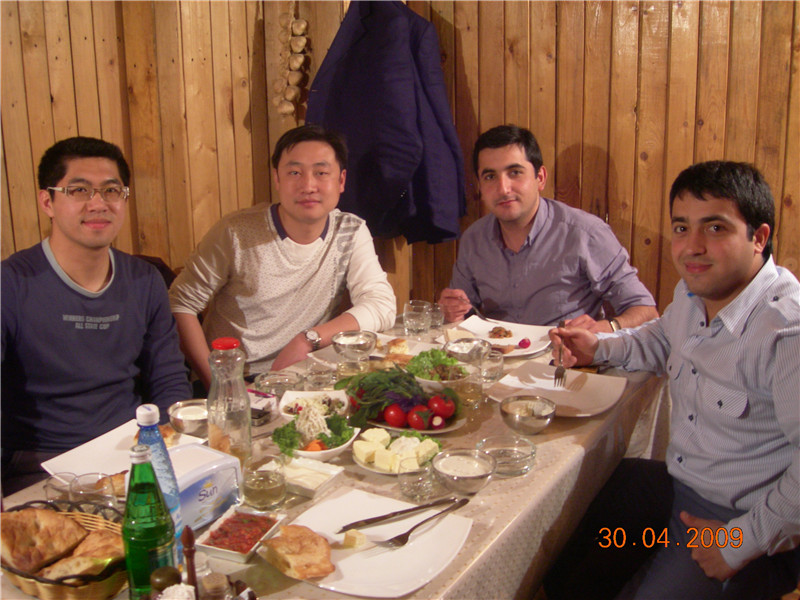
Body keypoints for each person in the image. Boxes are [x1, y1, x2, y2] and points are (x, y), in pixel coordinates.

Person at [544, 161, 800, 600]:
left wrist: (741, 544)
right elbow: (662, 338)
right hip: (679, 489)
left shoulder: (786, 331)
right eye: (682, 228)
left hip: (743, 523)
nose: (692, 247)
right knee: (568, 563)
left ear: (759, 237)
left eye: (715, 228)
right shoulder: (693, 292)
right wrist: (598, 348)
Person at [1, 136, 192, 495]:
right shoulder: (10, 283)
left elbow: (168, 378)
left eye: (111, 191)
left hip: (131, 453)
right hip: (41, 467)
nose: (98, 203)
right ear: (48, 202)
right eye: (79, 190)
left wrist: (170, 449)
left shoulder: (144, 279)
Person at [169, 125, 396, 388]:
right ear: (277, 179)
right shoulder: (235, 233)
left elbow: (381, 304)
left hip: (309, 374)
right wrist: (221, 387)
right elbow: (180, 304)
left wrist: (308, 339)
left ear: (341, 181)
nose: (308, 186)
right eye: (294, 173)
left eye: (321, 173)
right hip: (240, 379)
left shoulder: (350, 231)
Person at [438, 125, 658, 332]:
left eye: (515, 173)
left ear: (540, 178)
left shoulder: (585, 233)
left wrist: (606, 328)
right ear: (480, 186)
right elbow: (464, 313)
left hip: (565, 355)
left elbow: (646, 312)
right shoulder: (474, 238)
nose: (503, 189)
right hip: (495, 354)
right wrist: (451, 310)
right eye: (490, 177)